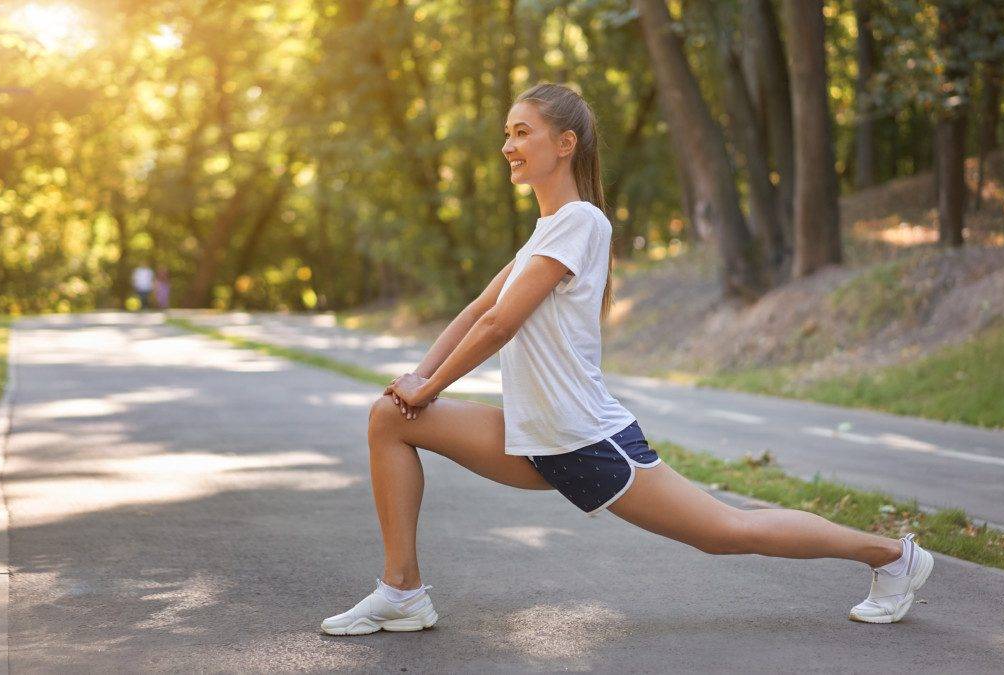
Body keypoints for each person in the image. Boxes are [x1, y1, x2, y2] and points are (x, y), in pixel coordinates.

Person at [320, 83, 933, 636]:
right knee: (387, 419)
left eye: (521, 132)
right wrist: (418, 381)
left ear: (565, 143)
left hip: (585, 440)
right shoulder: (547, 229)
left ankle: (892, 557)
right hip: (534, 437)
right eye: (507, 133)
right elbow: (478, 305)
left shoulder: (582, 222)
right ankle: (402, 592)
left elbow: (499, 323)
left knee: (727, 533)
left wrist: (429, 388)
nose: (508, 144)